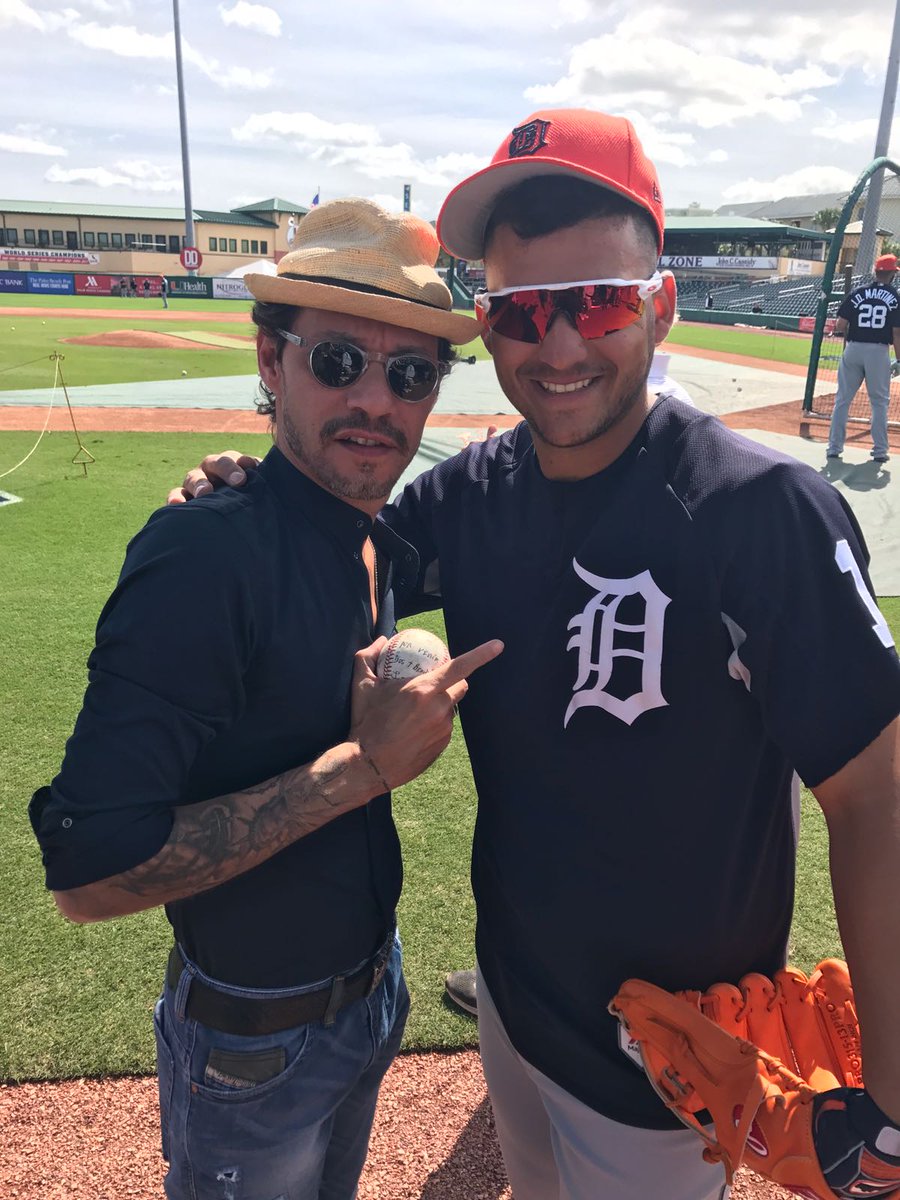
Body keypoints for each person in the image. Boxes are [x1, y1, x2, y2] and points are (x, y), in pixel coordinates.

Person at [172, 109, 900, 1200]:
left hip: (671, 1061)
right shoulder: (464, 500)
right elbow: (333, 558)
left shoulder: (761, 513)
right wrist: (243, 489)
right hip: (514, 1005)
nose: (558, 347)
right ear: (487, 322)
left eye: (598, 303)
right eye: (523, 313)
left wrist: (892, 1106)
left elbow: (879, 797)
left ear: (658, 304)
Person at [29, 197, 501, 1200]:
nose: (376, 399)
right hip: (253, 1047)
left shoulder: (369, 532)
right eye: (339, 361)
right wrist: (363, 769)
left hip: (370, 996)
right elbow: (87, 875)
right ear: (271, 358)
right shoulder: (205, 556)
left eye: (411, 373)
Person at [826, 252, 900, 464]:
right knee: (879, 403)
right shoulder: (895, 296)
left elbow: (840, 325)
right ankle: (879, 452)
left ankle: (834, 448)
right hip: (878, 352)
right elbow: (897, 333)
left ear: (876, 272)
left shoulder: (858, 292)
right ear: (892, 274)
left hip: (853, 348)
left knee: (842, 400)